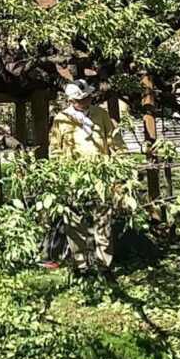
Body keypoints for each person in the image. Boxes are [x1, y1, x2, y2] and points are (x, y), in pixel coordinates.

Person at [49, 79, 126, 278]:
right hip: (74, 178)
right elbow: (55, 150)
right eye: (81, 99)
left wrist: (121, 166)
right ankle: (80, 267)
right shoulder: (61, 119)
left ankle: (104, 266)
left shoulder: (100, 114)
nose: (85, 101)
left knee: (103, 222)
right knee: (74, 223)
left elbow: (114, 141)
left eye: (88, 97)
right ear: (71, 100)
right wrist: (60, 176)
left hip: (101, 176)